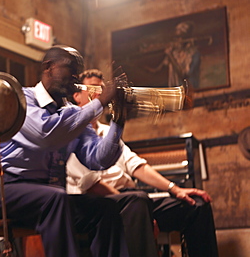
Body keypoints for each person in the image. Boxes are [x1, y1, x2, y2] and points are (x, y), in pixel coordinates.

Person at [0, 46, 129, 257]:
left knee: (105, 210)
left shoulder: (73, 114)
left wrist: (119, 119)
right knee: (55, 198)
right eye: (70, 69)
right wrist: (100, 102)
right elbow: (45, 136)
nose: (75, 77)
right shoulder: (21, 100)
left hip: (48, 199)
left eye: (77, 72)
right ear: (49, 67)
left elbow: (98, 159)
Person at [67, 69, 219, 257]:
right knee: (137, 202)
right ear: (76, 96)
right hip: (105, 204)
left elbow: (135, 165)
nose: (99, 94)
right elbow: (92, 185)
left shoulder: (108, 131)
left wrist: (175, 189)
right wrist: (140, 213)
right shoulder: (70, 131)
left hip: (134, 198)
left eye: (101, 89)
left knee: (196, 205)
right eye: (92, 88)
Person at [144, 21, 202, 89]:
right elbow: (160, 68)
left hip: (188, 91)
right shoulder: (174, 53)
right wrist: (150, 70)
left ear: (186, 38)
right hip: (176, 92)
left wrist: (170, 55)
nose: (177, 41)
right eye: (176, 38)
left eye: (180, 38)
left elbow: (184, 75)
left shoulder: (194, 54)